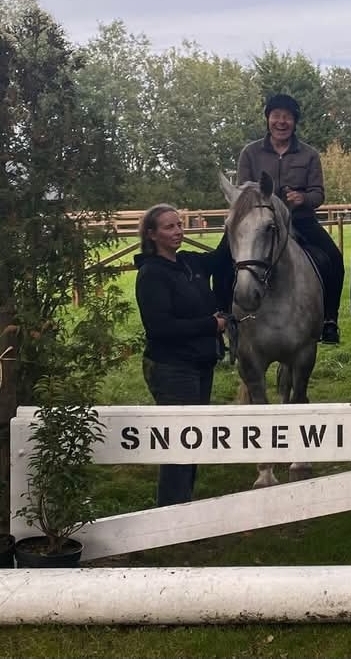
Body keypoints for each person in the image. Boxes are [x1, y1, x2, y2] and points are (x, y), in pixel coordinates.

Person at [135, 204, 230, 507]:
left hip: (201, 363)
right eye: (168, 227)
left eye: (179, 225)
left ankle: (183, 505)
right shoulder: (152, 274)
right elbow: (160, 327)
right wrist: (210, 325)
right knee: (179, 441)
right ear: (151, 234)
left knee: (194, 438)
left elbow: (222, 259)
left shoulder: (189, 262)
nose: (177, 231)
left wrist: (237, 219)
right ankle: (170, 513)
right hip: (172, 368)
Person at [233, 93, 345, 345]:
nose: (281, 122)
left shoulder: (309, 154)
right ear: (267, 119)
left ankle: (329, 320)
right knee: (221, 259)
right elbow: (242, 192)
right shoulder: (250, 153)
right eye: (276, 116)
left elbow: (318, 193)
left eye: (287, 117)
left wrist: (302, 199)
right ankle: (226, 319)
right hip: (258, 221)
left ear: (294, 122)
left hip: (300, 220)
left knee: (334, 259)